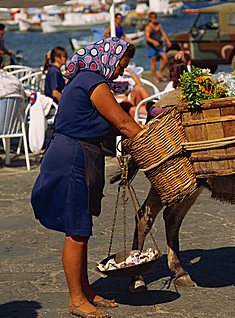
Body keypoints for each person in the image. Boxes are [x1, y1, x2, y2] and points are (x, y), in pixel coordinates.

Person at [31, 38, 144, 318]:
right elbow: (123, 123)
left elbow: (115, 122)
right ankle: (77, 300)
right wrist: (154, 140)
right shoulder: (92, 82)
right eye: (121, 64)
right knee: (76, 232)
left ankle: (86, 291)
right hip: (72, 157)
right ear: (108, 58)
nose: (120, 70)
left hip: (81, 153)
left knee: (82, 228)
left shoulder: (88, 80)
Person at [145, 11, 171, 83]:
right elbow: (147, 37)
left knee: (165, 59)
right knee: (153, 62)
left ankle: (160, 73)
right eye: (152, 17)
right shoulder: (148, 27)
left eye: (155, 17)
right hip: (152, 47)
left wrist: (167, 41)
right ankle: (155, 77)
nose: (154, 19)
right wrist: (153, 42)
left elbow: (163, 33)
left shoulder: (158, 25)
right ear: (150, 18)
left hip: (159, 45)